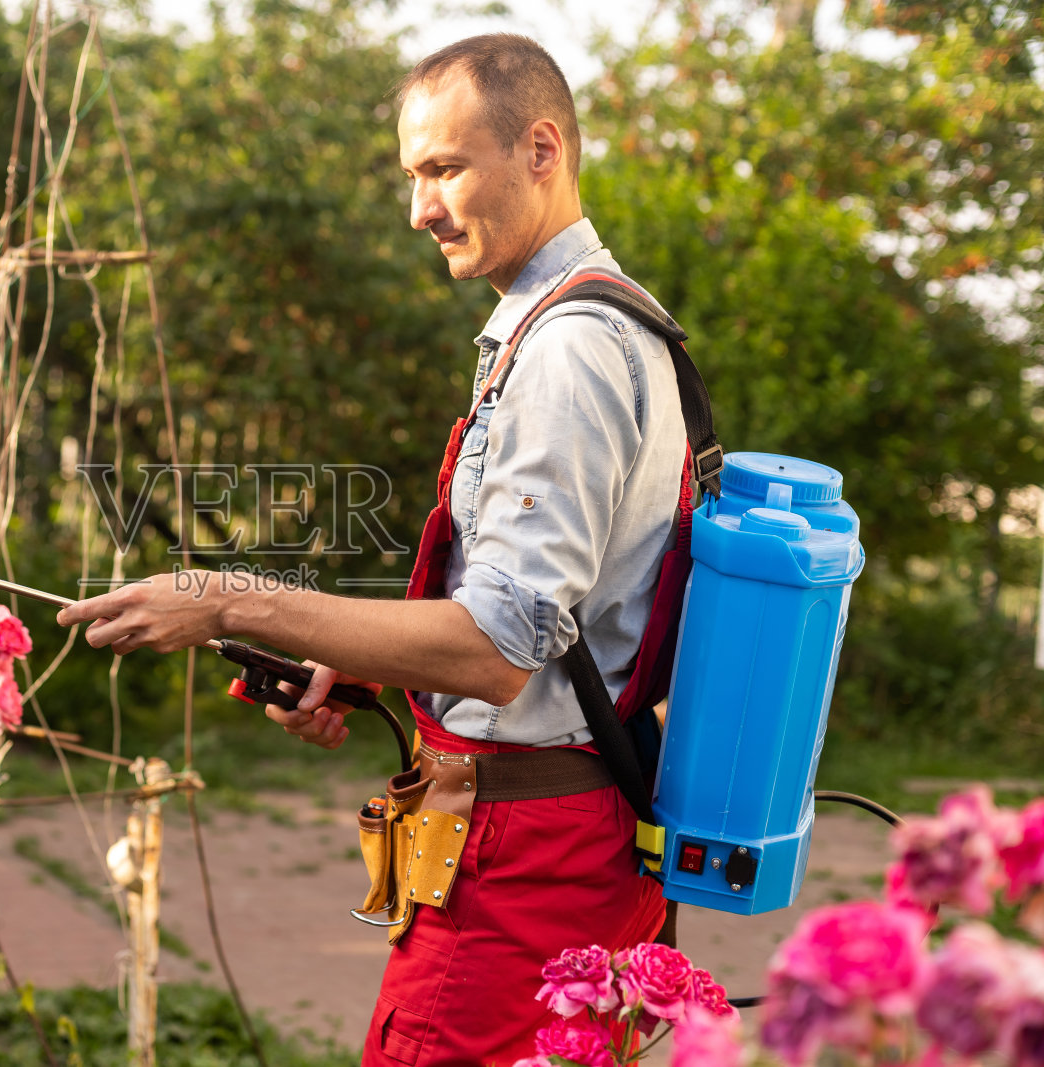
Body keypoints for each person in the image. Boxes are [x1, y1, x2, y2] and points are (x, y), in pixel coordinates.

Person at [57, 33, 683, 1064]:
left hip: (522, 863)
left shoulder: (570, 349)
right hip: (571, 836)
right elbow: (557, 620)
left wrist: (226, 600)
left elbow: (498, 647)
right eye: (411, 175)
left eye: (444, 169)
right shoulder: (614, 322)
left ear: (540, 150)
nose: (418, 209)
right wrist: (352, 663)